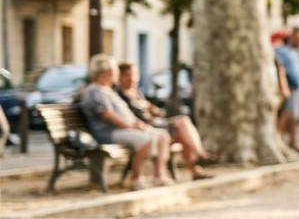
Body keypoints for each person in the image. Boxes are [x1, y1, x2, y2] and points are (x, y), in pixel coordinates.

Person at [78, 55, 172, 190]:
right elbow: (107, 116)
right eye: (115, 70)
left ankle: (159, 175)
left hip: (124, 129)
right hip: (109, 132)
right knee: (145, 140)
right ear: (106, 72)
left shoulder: (108, 90)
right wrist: (130, 127)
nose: (117, 73)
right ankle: (136, 178)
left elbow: (124, 114)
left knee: (163, 136)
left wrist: (138, 124)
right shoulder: (94, 91)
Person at [115, 62, 214, 180]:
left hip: (154, 124)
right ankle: (199, 157)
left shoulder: (138, 93)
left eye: (135, 74)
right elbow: (128, 117)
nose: (133, 78)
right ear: (119, 76)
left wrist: (151, 108)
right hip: (145, 127)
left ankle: (196, 166)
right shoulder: (119, 95)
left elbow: (155, 113)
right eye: (128, 75)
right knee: (181, 123)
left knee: (183, 124)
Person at [273, 29, 299, 153]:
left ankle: (293, 142)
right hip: (289, 87)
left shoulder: (298, 53)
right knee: (286, 114)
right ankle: (278, 139)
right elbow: (279, 68)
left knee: (295, 117)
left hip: (298, 87)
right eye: (297, 38)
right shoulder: (281, 51)